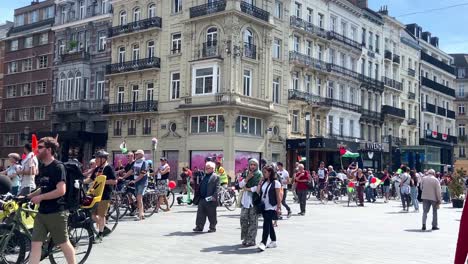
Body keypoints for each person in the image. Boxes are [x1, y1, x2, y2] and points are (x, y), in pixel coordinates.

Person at [28, 137, 76, 264]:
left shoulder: (58, 167)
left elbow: (61, 190)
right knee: (35, 245)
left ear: (49, 150)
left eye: (40, 147)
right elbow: (43, 188)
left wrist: (41, 197)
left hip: (56, 213)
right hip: (42, 213)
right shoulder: (43, 167)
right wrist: (29, 196)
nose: (37, 150)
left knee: (64, 244)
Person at [85, 150, 116, 243]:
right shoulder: (97, 168)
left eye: (98, 158)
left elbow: (114, 181)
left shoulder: (109, 168)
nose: (96, 160)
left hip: (105, 195)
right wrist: (81, 181)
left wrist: (102, 182)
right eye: (96, 158)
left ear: (103, 159)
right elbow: (91, 179)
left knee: (101, 215)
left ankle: (100, 234)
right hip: (95, 195)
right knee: (93, 215)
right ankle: (104, 227)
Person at [254, 165, 282, 251]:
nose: (264, 174)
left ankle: (263, 242)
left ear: (270, 173)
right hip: (263, 206)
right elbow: (258, 191)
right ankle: (273, 241)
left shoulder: (276, 183)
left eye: (265, 172)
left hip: (272, 206)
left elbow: (278, 196)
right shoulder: (264, 182)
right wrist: (260, 181)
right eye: (263, 172)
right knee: (269, 223)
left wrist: (279, 207)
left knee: (266, 223)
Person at [238, 158, 262, 247]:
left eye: (254, 165)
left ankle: (251, 239)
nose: (252, 166)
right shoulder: (246, 173)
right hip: (245, 201)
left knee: (253, 221)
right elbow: (240, 185)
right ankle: (245, 238)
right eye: (251, 164)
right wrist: (247, 178)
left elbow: (258, 187)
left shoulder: (259, 174)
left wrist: (248, 189)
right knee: (243, 219)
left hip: (254, 200)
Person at [193, 161, 220, 233]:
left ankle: (212, 227)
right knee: (200, 214)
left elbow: (217, 188)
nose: (206, 169)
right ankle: (199, 226)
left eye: (208, 168)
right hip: (202, 198)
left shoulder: (216, 177)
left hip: (210, 199)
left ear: (212, 169)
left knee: (212, 214)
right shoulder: (204, 176)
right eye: (206, 168)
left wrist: (213, 197)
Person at [122, 150, 149, 220]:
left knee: (139, 198)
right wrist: (122, 177)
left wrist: (134, 180)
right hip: (137, 183)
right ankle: (142, 213)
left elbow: (142, 174)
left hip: (142, 183)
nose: (135, 155)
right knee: (138, 198)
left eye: (136, 154)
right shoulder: (136, 163)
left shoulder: (144, 163)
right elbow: (131, 171)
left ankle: (140, 215)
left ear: (141, 155)